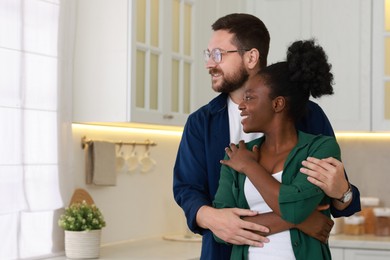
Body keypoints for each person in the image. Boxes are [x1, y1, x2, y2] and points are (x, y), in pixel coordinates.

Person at [173, 13, 360, 260]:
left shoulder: (308, 115)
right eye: (208, 55)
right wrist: (214, 218)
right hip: (221, 253)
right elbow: (187, 189)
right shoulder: (201, 123)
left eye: (218, 54)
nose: (209, 64)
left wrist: (343, 193)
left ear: (251, 57)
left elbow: (332, 194)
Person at [214, 39, 339, 260]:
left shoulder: (320, 148)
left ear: (277, 104)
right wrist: (301, 218)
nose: (241, 105)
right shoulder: (235, 153)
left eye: (250, 98)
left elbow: (294, 210)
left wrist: (250, 167)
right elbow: (221, 231)